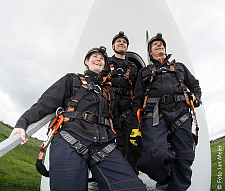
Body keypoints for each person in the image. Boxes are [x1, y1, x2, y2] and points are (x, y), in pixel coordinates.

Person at [10, 46, 146, 191]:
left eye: (102, 59)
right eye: (95, 57)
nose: (98, 59)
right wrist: (22, 122)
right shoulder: (71, 79)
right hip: (71, 139)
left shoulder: (109, 93)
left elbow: (116, 125)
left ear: (105, 66)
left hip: (104, 145)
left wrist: (118, 150)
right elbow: (45, 103)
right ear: (87, 61)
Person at [130, 33, 202, 191]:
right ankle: (165, 177)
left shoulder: (179, 67)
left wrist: (196, 98)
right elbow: (137, 100)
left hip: (181, 113)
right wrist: (135, 127)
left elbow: (195, 85)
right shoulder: (144, 72)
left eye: (161, 44)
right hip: (154, 115)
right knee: (154, 156)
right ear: (150, 53)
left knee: (184, 157)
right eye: (155, 45)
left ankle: (176, 187)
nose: (159, 45)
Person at [105, 31, 141, 175]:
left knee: (132, 142)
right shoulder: (105, 63)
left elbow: (138, 89)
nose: (122, 43)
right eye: (119, 41)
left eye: (124, 42)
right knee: (106, 139)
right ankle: (102, 175)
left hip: (128, 107)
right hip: (108, 106)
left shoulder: (133, 67)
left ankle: (131, 173)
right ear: (113, 46)